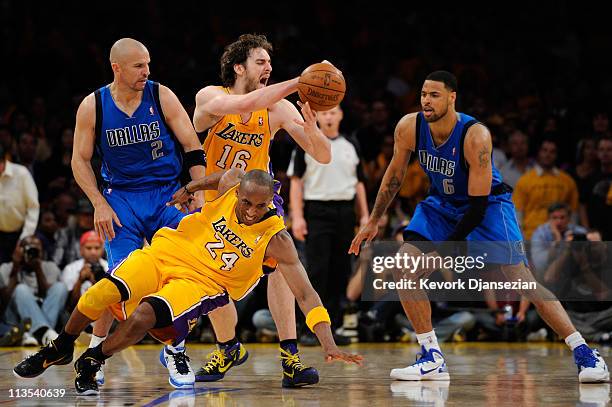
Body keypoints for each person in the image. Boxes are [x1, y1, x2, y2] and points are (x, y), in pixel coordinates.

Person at [350, 71, 609, 383]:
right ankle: (431, 356)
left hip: (486, 206)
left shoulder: (475, 136)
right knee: (404, 267)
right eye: (423, 94)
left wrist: (444, 252)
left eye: (434, 95)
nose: (426, 101)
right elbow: (394, 176)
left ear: (452, 97)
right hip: (442, 204)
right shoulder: (409, 127)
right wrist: (374, 220)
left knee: (521, 280)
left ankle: (584, 352)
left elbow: (476, 206)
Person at [13, 169, 363, 396]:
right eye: (247, 203)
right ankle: (59, 347)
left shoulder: (277, 239)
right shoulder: (231, 185)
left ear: (270, 201)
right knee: (102, 291)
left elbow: (305, 293)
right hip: (167, 250)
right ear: (238, 192)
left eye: (261, 205)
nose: (253, 211)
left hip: (201, 283)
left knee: (144, 318)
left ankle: (94, 358)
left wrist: (328, 343)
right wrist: (189, 189)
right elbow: (216, 179)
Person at [191, 34, 332, 387]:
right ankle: (228, 347)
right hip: (215, 204)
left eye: (271, 62)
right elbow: (244, 106)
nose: (269, 67)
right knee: (213, 283)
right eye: (261, 62)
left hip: (259, 202)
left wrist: (312, 132)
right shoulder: (210, 97)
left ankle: (290, 358)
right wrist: (299, 82)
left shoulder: (278, 109)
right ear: (238, 67)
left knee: (281, 268)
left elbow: (323, 155)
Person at [70, 38, 206, 388]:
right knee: (121, 284)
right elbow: (79, 160)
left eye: (148, 64)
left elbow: (192, 146)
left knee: (182, 276)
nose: (147, 71)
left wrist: (198, 194)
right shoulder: (93, 105)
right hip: (121, 200)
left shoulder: (161, 95)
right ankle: (93, 356)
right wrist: (99, 202)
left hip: (167, 196)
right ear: (116, 67)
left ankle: (176, 349)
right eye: (139, 66)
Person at [288, 104, 368, 343]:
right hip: (317, 210)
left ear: (341, 115)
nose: (329, 117)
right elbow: (296, 182)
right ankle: (310, 328)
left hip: (345, 211)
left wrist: (365, 215)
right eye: (324, 113)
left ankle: (332, 329)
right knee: (317, 270)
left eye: (333, 112)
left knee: (340, 269)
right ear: (317, 117)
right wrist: (298, 216)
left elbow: (360, 182)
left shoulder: (351, 145)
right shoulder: (306, 143)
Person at [0, 236, 67, 346]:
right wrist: (15, 268)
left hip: (44, 311)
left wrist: (38, 269)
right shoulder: (6, 268)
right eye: (29, 249)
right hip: (16, 317)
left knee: (60, 287)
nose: (33, 252)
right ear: (20, 251)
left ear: (42, 252)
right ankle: (46, 333)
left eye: (37, 250)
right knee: (21, 289)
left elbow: (48, 297)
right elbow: (4, 301)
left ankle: (33, 333)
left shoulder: (50, 267)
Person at [513, 138, 579, 239]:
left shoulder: (567, 181)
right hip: (531, 236)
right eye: (544, 150)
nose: (548, 154)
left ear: (557, 155)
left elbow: (573, 213)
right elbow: (518, 214)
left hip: (562, 237)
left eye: (552, 151)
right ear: (538, 153)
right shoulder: (525, 180)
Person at [0, 144, 40, 264]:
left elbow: (33, 207)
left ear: (4, 160)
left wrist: (25, 237)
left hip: (19, 234)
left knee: (18, 270)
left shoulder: (21, 173)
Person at [61, 230, 108, 310]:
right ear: (81, 250)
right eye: (88, 248)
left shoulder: (109, 268)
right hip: (74, 313)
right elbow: (69, 304)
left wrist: (96, 282)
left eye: (97, 248)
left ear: (102, 249)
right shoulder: (70, 269)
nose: (93, 252)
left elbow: (110, 303)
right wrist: (80, 280)